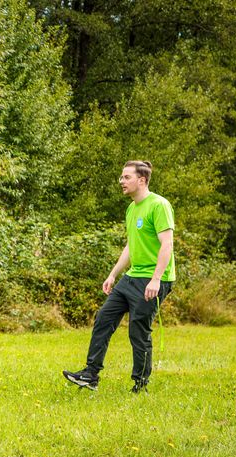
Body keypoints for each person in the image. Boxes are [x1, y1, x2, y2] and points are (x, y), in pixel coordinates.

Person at [62, 160, 175, 393]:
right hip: (132, 277)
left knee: (138, 330)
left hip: (154, 279)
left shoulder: (159, 205)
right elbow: (131, 246)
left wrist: (156, 279)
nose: (121, 182)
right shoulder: (132, 208)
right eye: (122, 177)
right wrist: (113, 274)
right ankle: (90, 374)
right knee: (103, 318)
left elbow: (167, 244)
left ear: (141, 180)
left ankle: (140, 383)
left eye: (126, 177)